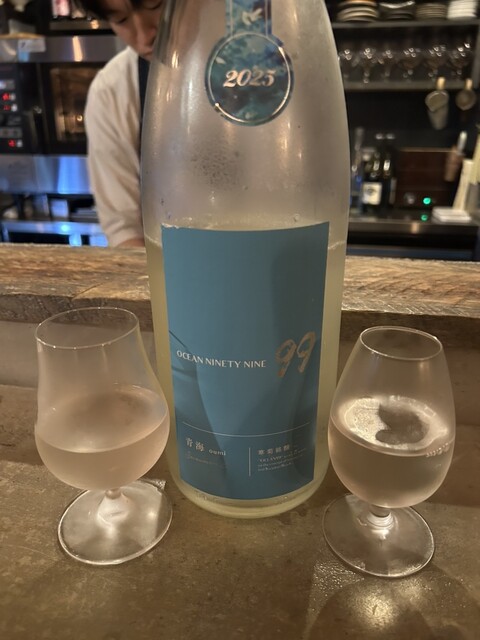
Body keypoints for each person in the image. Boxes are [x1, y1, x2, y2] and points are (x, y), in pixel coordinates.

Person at [78, 1, 166, 247]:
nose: (145, 35)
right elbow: (124, 228)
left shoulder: (254, 67)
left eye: (154, 4)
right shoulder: (111, 90)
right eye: (121, 20)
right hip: (170, 263)